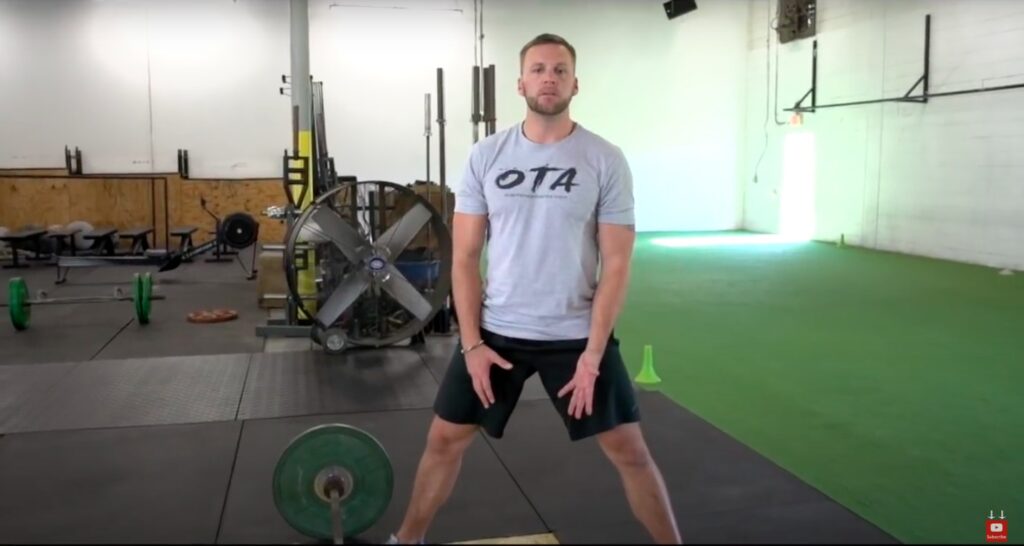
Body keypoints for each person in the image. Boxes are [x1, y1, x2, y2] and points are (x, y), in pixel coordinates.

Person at [388, 33, 682, 545]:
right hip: (498, 333)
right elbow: (462, 257)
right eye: (540, 69)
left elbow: (616, 264)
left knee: (630, 451)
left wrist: (593, 356)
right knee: (443, 440)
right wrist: (472, 343)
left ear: (575, 83)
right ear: (521, 82)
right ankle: (405, 540)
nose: (550, 78)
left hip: (575, 335)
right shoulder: (486, 156)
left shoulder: (604, 159)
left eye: (561, 70)